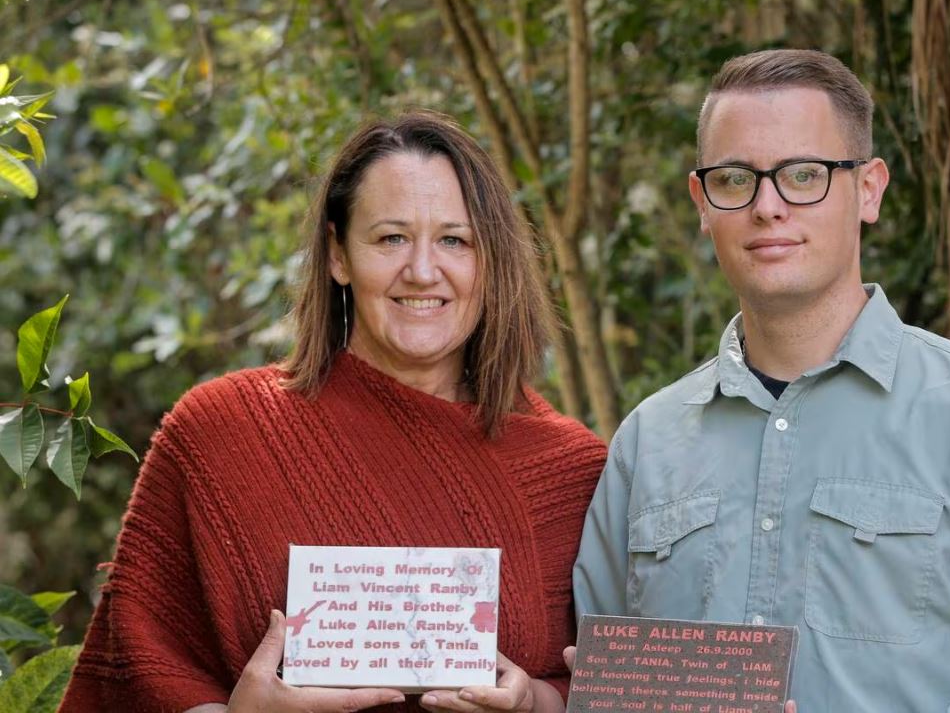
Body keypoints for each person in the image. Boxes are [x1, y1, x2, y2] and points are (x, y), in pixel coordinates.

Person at [572, 49, 950, 711]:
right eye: (735, 179)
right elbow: (600, 677)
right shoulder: (649, 442)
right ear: (703, 202)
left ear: (868, 189)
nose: (768, 207)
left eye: (804, 175)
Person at [61, 110, 607, 713]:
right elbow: (133, 679)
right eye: (391, 237)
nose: (423, 271)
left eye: (455, 240)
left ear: (491, 261)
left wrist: (534, 702)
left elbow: (601, 691)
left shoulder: (574, 471)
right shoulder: (222, 433)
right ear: (338, 254)